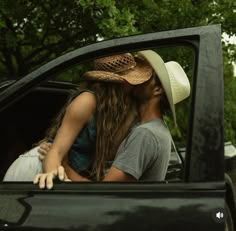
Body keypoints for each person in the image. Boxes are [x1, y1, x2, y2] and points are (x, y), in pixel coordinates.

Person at [34, 50, 191, 188]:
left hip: (59, 172)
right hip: (45, 171)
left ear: (157, 90)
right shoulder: (151, 128)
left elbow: (104, 193)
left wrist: (66, 166)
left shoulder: (145, 134)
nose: (140, 79)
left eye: (148, 77)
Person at [3, 52, 153, 183]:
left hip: (63, 171)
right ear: (117, 83)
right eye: (132, 80)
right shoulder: (87, 101)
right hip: (38, 168)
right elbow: (55, 151)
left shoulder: (117, 113)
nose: (136, 84)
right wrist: (52, 173)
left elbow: (108, 154)